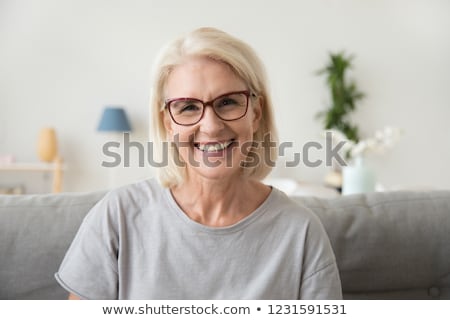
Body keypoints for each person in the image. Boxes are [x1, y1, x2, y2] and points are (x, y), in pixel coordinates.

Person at [55, 27, 342, 299]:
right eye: (189, 107)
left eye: (228, 102)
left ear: (255, 112)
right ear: (168, 122)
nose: (211, 126)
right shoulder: (117, 216)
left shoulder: (301, 232)